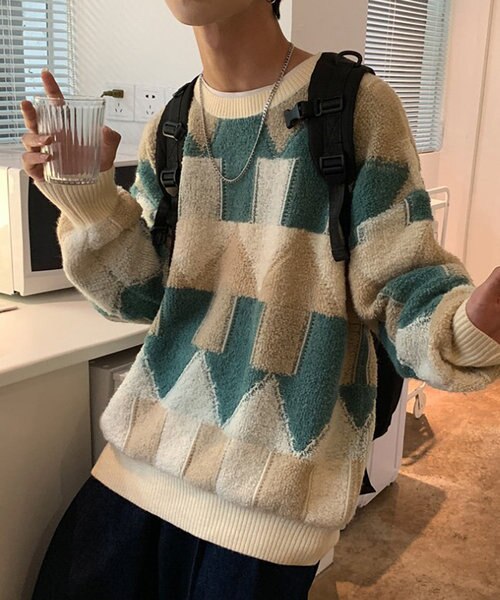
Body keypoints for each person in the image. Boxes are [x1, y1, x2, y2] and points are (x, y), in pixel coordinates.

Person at [20, 0, 500, 598]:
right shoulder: (172, 122)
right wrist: (90, 199)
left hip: (274, 495)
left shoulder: (356, 106)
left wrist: (466, 325)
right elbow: (143, 297)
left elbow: (400, 282)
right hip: (145, 456)